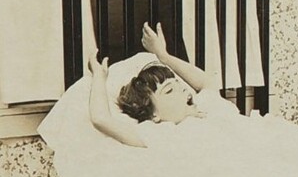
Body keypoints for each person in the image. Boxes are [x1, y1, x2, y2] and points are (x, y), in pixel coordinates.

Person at [88, 22, 235, 147]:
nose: (182, 88)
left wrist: (164, 56)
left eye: (178, 84)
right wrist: (99, 77)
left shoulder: (205, 106)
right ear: (154, 115)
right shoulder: (161, 132)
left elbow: (207, 82)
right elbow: (101, 120)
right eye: (169, 90)